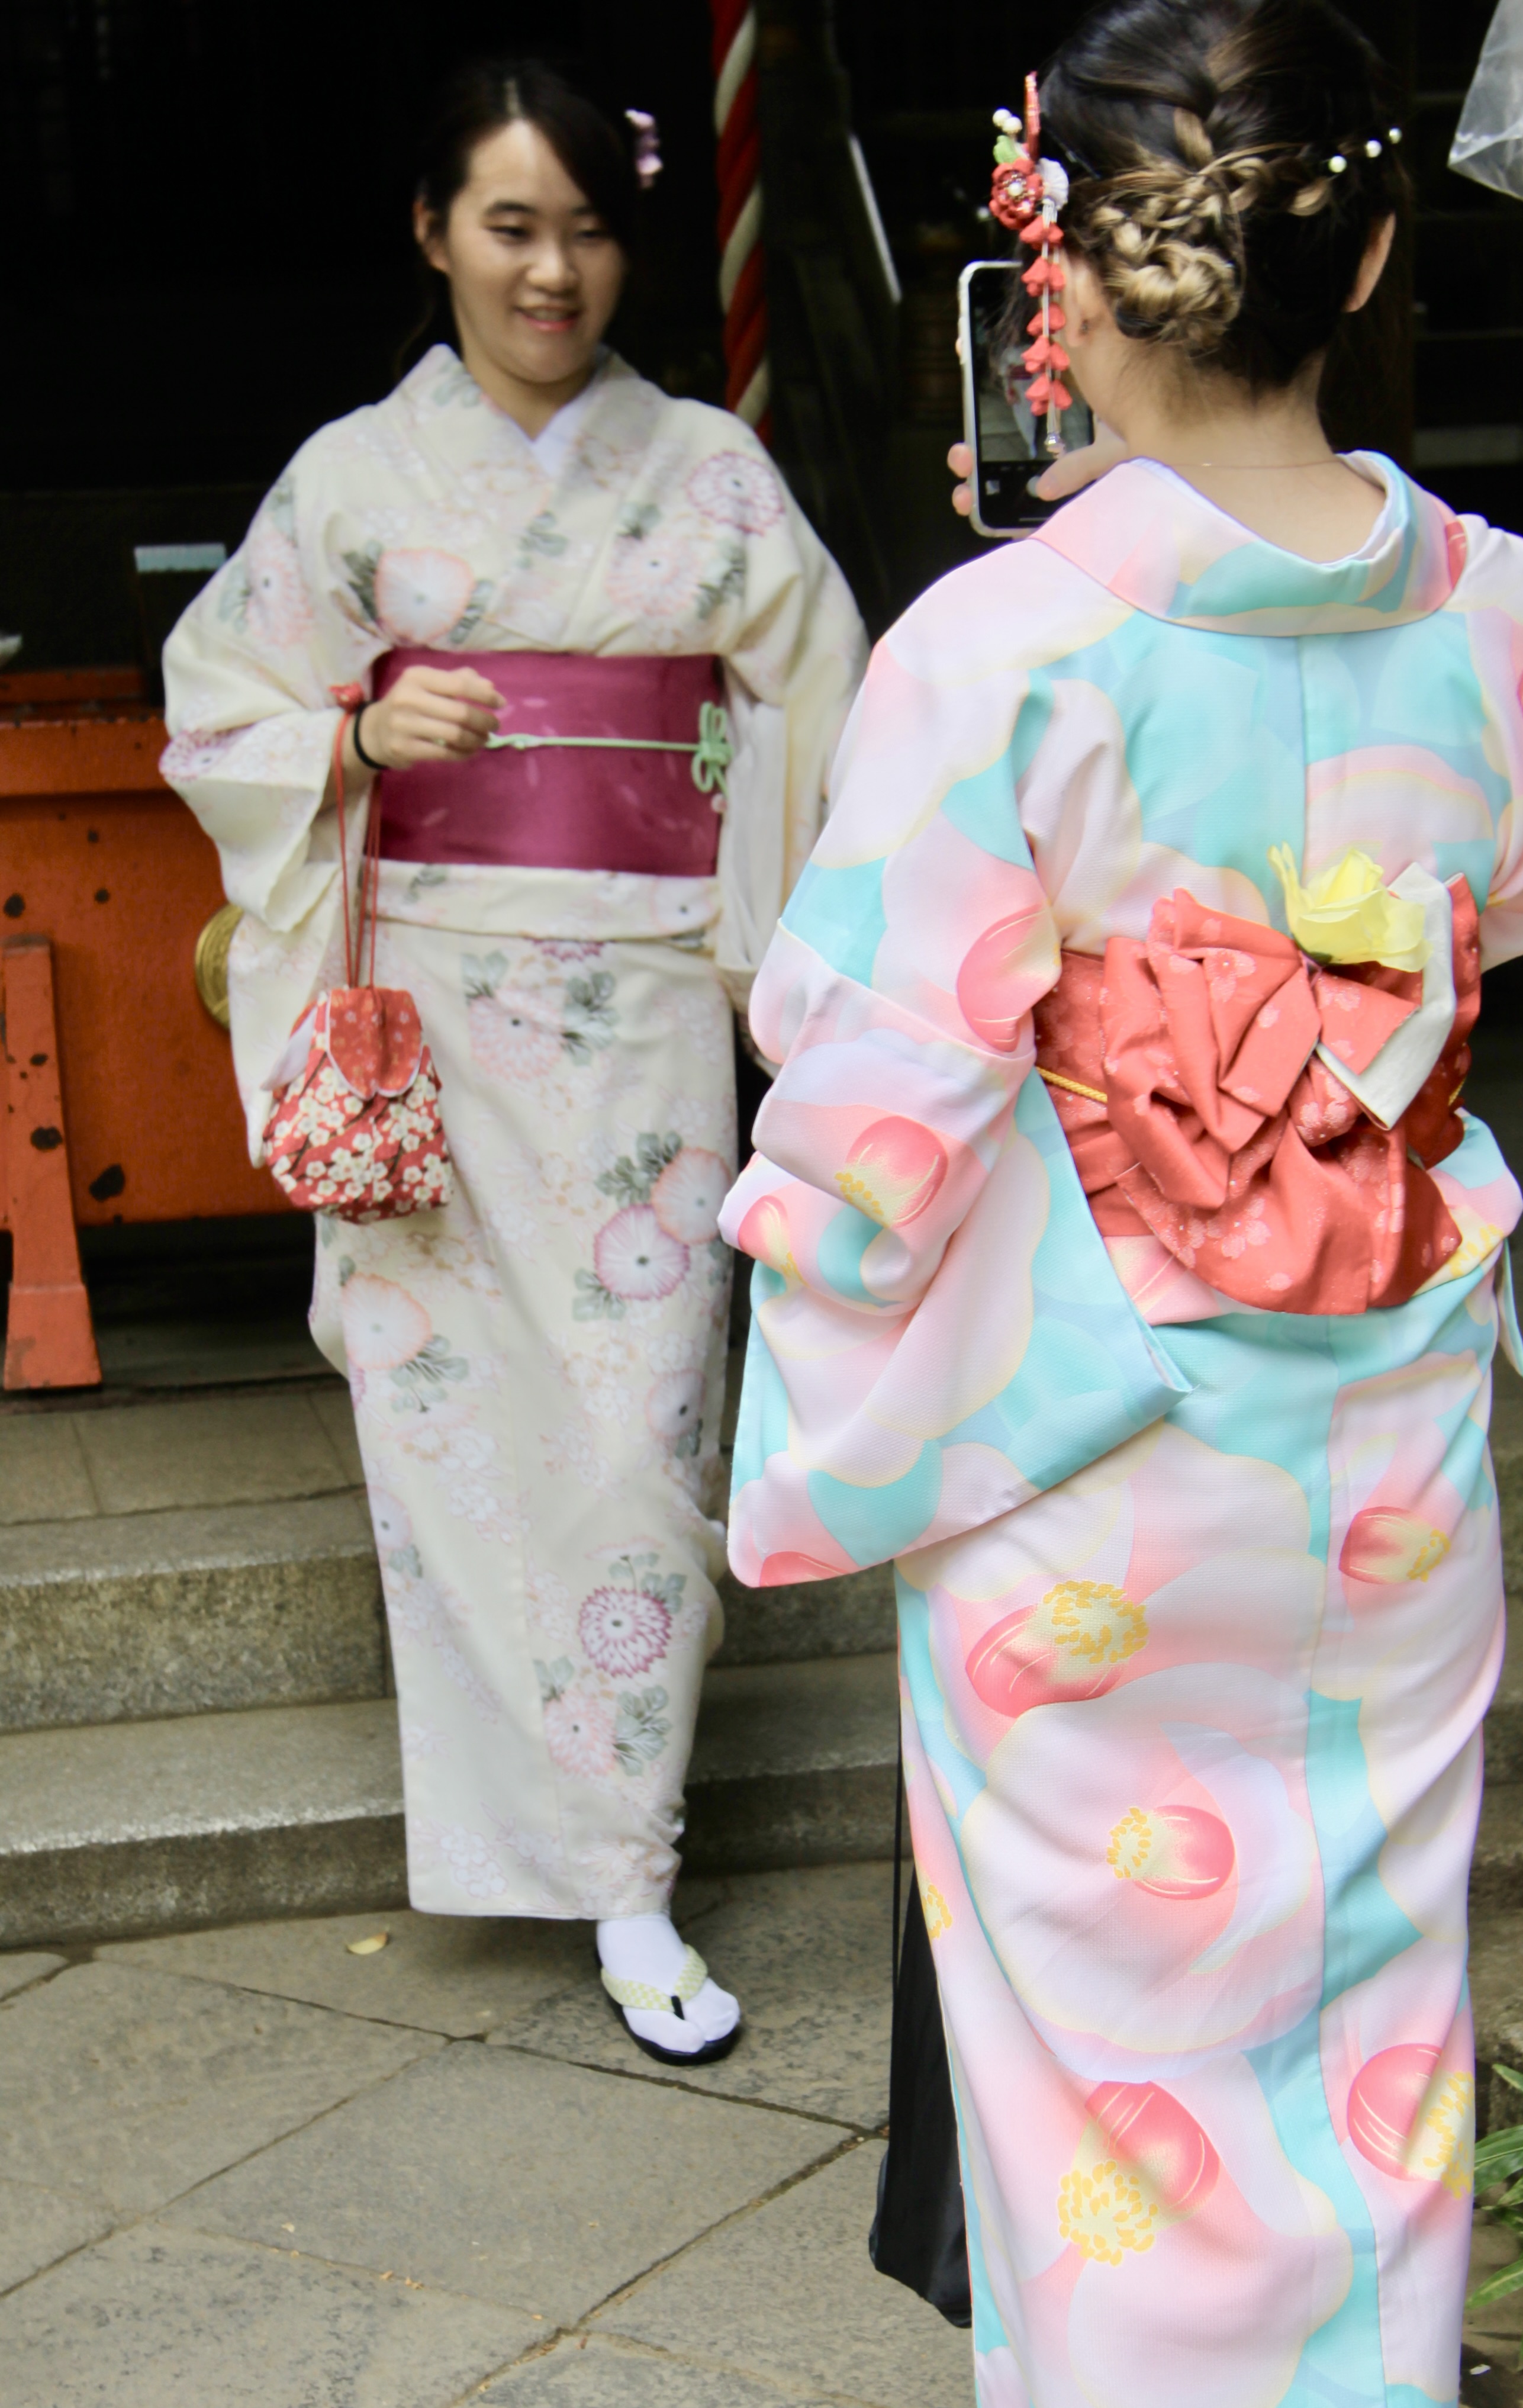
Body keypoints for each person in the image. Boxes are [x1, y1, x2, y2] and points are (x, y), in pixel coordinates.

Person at [720, 0, 1523, 2397]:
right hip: (1379, 1452)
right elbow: (1514, 900)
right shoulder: (1511, 606)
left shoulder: (1000, 641)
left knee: (1100, 2075)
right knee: (1372, 2025)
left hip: (1093, 1447)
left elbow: (871, 1081)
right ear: (1369, 253)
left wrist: (832, 1348)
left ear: (1066, 287)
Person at [162, 58, 866, 2065]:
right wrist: (347, 739)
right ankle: (532, 1847)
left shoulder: (710, 474)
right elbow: (217, 699)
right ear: (432, 233)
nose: (552, 271)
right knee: (452, 1442)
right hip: (435, 1017)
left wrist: (765, 941)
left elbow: (831, 711)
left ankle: (629, 1865)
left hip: (643, 1023)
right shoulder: (352, 480)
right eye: (509, 226)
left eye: (586, 231)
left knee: (646, 1433)